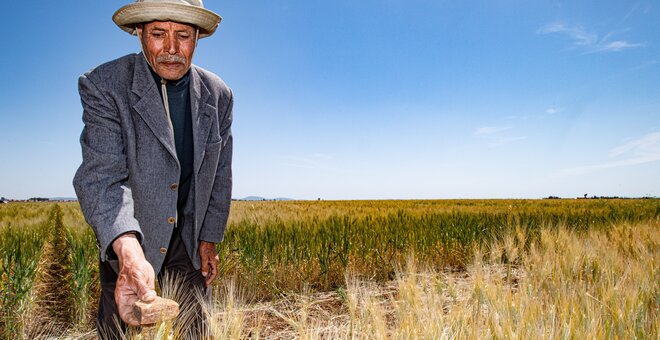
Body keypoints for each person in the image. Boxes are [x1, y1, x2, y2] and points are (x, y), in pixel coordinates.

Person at [72, 0, 233, 337]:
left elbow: (220, 174)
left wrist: (208, 240)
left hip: (189, 244)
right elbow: (102, 177)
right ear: (140, 33)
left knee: (196, 331)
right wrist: (128, 253)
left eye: (183, 36)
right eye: (159, 34)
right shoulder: (105, 85)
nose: (171, 48)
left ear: (198, 38)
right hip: (131, 239)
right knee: (119, 330)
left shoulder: (218, 95)